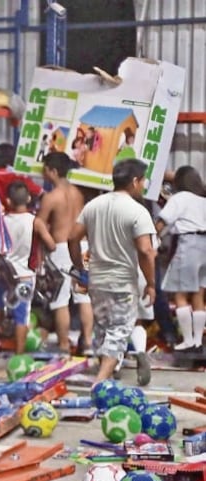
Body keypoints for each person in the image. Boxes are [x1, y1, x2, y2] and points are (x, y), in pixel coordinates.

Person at [68, 159, 156, 384]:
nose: (144, 185)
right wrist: (152, 283)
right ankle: (100, 381)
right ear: (135, 181)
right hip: (123, 282)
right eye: (143, 180)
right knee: (119, 331)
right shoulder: (138, 211)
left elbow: (72, 238)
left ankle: (107, 374)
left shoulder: (93, 205)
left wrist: (79, 268)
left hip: (97, 280)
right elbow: (146, 250)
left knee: (103, 329)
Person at [0, 181, 56, 353]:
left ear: (8, 201)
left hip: (5, 273)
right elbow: (52, 245)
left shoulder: (2, 221)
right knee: (22, 315)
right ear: (29, 198)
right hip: (24, 277)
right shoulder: (36, 222)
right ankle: (19, 352)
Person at [36, 152, 93, 354]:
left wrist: (49, 243)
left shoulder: (51, 197)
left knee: (60, 300)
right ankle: (87, 342)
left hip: (60, 247)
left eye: (45, 170)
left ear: (53, 171)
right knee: (83, 296)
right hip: (82, 245)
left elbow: (39, 223)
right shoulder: (79, 193)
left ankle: (63, 344)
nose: (43, 174)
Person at [157, 166, 206, 351]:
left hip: (189, 244)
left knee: (180, 294)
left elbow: (163, 222)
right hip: (205, 247)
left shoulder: (180, 198)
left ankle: (187, 341)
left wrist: (151, 239)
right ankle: (198, 341)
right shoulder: (203, 199)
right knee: (198, 295)